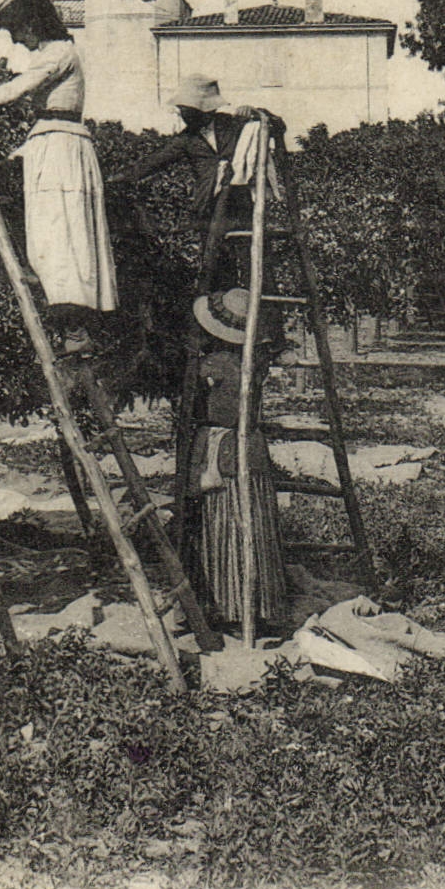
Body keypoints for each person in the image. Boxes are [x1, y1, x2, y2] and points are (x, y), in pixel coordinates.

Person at [0, 0, 116, 355]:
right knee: (47, 228)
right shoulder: (50, 53)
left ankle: (75, 328)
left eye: (15, 29)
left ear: (32, 22)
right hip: (49, 144)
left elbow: (18, 89)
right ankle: (61, 314)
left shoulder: (59, 53)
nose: (14, 40)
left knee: (63, 232)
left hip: (62, 148)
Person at [184, 288, 289, 632]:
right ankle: (260, 604)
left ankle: (224, 604)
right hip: (251, 447)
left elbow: (201, 408)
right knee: (254, 526)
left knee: (222, 526)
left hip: (224, 450)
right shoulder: (255, 363)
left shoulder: (211, 365)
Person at [107, 75, 255, 292]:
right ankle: (218, 314)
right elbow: (153, 162)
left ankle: (256, 317)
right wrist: (118, 178)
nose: (183, 115)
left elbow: (277, 126)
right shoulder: (186, 139)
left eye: (187, 111)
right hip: (208, 207)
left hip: (239, 206)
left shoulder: (232, 124)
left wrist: (257, 113)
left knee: (249, 258)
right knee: (216, 264)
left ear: (203, 110)